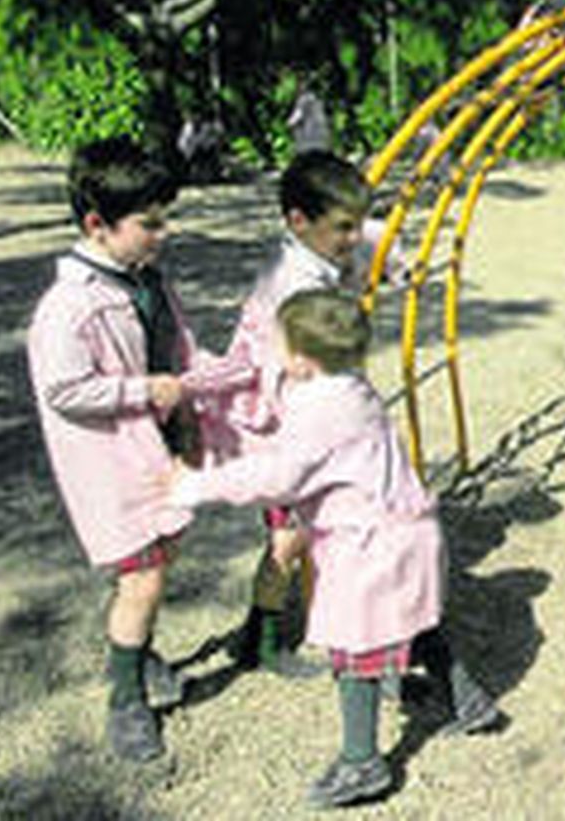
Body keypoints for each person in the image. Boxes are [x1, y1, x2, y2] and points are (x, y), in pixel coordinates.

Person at [169, 290, 500, 809]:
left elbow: (279, 476)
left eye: (276, 344)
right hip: (408, 532)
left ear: (300, 359)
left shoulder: (322, 409)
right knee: (413, 621)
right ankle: (468, 701)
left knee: (356, 649)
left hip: (371, 545)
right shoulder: (353, 387)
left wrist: (196, 485)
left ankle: (362, 762)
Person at [26, 137, 216, 761]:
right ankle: (125, 701)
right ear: (96, 225)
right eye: (150, 222)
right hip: (111, 465)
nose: (164, 232)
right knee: (142, 579)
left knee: (157, 566)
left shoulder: (148, 282)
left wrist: (223, 376)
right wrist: (144, 391)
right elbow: (64, 388)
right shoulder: (69, 308)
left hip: (157, 452)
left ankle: (140, 658)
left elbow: (182, 350)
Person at [206, 151, 379, 678]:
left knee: (304, 535)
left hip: (304, 426)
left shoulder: (315, 263)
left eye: (355, 227)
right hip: (287, 432)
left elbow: (362, 252)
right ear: (297, 221)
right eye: (342, 228)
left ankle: (289, 631)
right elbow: (283, 377)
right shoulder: (292, 287)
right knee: (290, 538)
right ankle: (261, 637)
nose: (354, 239)